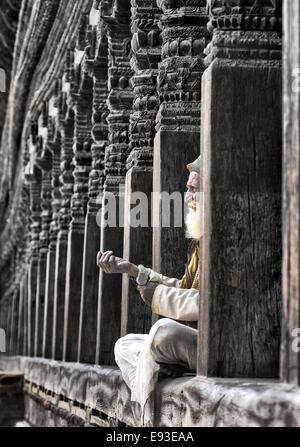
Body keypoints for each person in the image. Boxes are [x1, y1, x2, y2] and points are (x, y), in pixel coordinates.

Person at [97, 155, 202, 426]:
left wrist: (156, 296)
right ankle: (159, 378)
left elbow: (209, 302)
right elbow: (182, 287)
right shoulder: (199, 244)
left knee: (161, 331)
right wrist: (134, 271)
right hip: (189, 344)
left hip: (213, 343)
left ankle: (144, 418)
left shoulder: (220, 237)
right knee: (124, 345)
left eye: (194, 188)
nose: (187, 194)